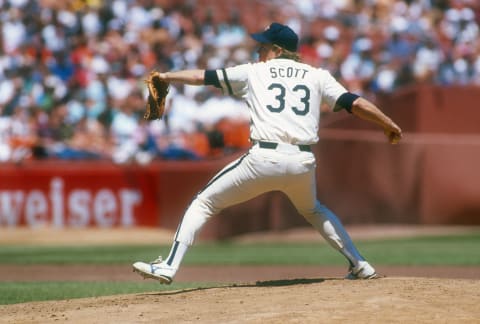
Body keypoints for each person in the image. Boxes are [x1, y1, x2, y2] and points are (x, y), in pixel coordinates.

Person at [133, 22, 402, 284]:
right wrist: (387, 123)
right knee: (313, 209)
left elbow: (202, 76)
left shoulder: (255, 72)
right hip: (302, 162)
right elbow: (355, 103)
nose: (258, 52)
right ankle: (360, 264)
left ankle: (168, 266)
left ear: (276, 49)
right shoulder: (318, 75)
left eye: (262, 47)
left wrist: (167, 76)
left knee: (203, 203)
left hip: (264, 157)